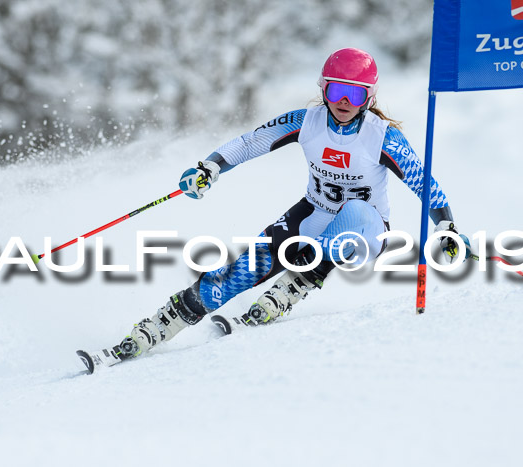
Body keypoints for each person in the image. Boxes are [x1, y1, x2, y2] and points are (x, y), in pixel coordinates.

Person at [117, 48, 466, 358]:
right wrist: (210, 166)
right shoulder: (306, 121)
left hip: (365, 230)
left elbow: (423, 181)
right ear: (323, 89)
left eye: (355, 95)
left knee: (354, 213)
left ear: (369, 98)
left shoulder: (381, 137)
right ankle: (164, 323)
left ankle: (299, 281)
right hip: (313, 212)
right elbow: (250, 142)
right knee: (238, 272)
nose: (344, 102)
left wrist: (446, 225)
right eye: (336, 90)